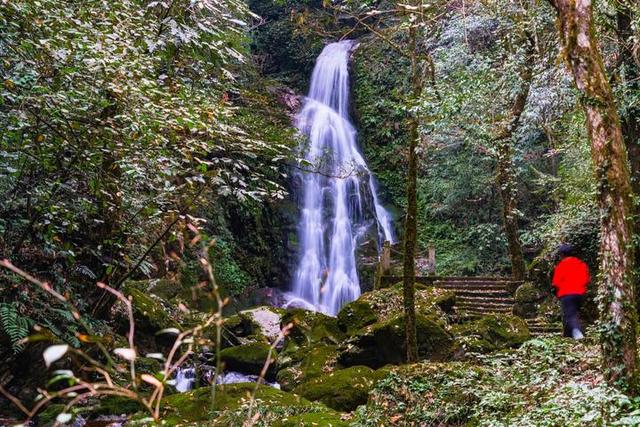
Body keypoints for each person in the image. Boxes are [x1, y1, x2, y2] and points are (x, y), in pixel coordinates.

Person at [551, 244, 590, 340]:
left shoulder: (561, 265)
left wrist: (557, 293)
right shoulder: (581, 264)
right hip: (580, 293)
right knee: (574, 312)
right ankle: (567, 335)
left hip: (566, 293)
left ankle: (577, 332)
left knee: (570, 314)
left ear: (562, 255)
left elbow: (556, 282)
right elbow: (586, 280)